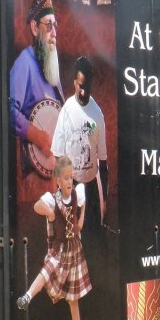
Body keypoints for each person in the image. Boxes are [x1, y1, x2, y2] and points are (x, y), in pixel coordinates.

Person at [16, 156, 91, 320]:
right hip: (59, 248)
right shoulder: (52, 199)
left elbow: (81, 216)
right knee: (48, 267)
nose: (69, 181)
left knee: (73, 302)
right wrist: (49, 212)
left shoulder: (77, 193)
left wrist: (81, 217)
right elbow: (37, 206)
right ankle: (27, 297)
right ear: (57, 179)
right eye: (65, 178)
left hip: (74, 251)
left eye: (71, 177)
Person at [9, 0, 65, 179]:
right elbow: (8, 109)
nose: (54, 33)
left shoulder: (52, 68)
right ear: (34, 28)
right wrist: (36, 135)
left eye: (55, 25)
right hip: (34, 175)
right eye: (48, 25)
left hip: (55, 174)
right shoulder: (24, 62)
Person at [51, 56, 108, 236]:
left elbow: (103, 162)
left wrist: (104, 200)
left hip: (90, 188)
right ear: (74, 83)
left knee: (93, 239)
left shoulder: (97, 114)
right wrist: (62, 192)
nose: (83, 91)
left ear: (92, 83)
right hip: (71, 185)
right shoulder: (67, 111)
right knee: (70, 239)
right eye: (80, 86)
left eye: (87, 86)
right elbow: (58, 156)